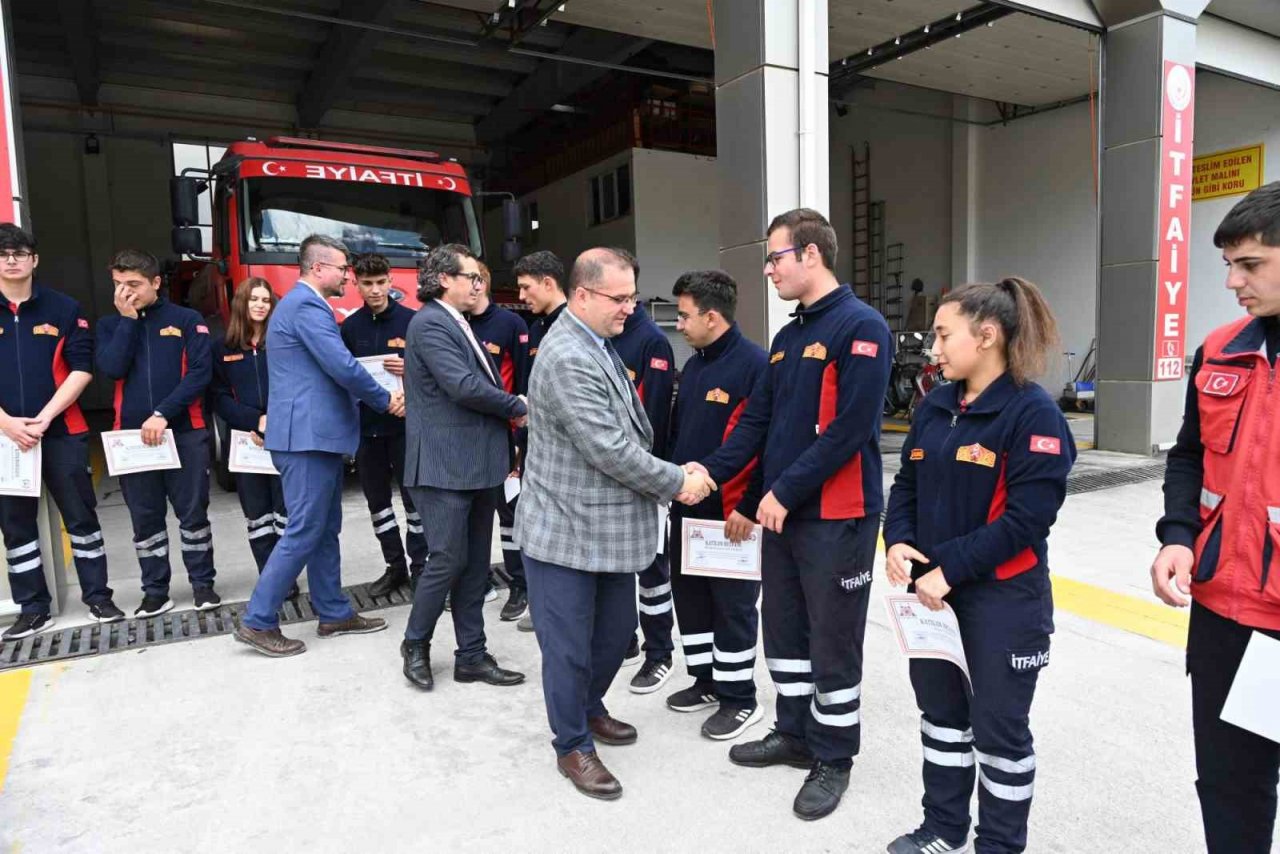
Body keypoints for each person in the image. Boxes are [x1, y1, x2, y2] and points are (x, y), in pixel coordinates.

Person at [694, 208, 893, 820]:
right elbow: (759, 422)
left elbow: (851, 430)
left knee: (833, 638)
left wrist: (781, 493)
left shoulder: (861, 327)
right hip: (782, 517)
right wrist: (712, 476)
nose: (769, 268)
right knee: (784, 630)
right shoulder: (787, 338)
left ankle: (834, 755)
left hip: (837, 516)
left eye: (775, 256)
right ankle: (794, 732)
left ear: (810, 254)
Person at [515, 247, 715, 801]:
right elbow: (607, 447)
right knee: (570, 648)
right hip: (565, 532)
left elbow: (629, 433)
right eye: (620, 298)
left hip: (602, 529)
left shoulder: (594, 341)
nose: (632, 308)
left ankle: (588, 706)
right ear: (582, 295)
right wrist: (678, 481)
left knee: (610, 637)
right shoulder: (569, 356)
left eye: (632, 295)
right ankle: (572, 745)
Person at [883, 277, 1074, 854]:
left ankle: (998, 844)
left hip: (1002, 601)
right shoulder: (938, 404)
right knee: (941, 719)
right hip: (933, 597)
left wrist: (950, 570)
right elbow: (907, 483)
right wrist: (896, 541)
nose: (933, 348)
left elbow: (1026, 520)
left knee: (999, 733)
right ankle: (943, 828)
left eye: (943, 334)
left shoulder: (1032, 415)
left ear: (986, 335)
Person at [1151, 180, 1280, 854]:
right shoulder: (1220, 350)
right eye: (1227, 265)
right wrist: (1177, 537)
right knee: (1232, 785)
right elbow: (1188, 458)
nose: (1233, 281)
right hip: (1228, 619)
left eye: (1250, 264)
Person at [233, 235, 403, 657]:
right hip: (305, 438)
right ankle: (258, 620)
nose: (347, 276)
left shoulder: (300, 305)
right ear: (318, 268)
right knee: (305, 528)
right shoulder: (307, 306)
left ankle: (333, 611)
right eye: (343, 269)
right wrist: (385, 399)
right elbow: (340, 365)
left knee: (325, 528)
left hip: (314, 437)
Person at [398, 244, 528, 691]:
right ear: (443, 280)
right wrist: (519, 406)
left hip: (477, 465)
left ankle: (471, 655)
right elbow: (463, 386)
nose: (479, 284)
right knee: (448, 559)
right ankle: (415, 643)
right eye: (471, 277)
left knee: (474, 566)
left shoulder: (458, 322)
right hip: (443, 467)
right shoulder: (431, 323)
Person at [0, 224, 123, 640]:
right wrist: (8, 424)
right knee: (16, 526)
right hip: (5, 437)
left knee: (81, 516)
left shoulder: (64, 309)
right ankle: (33, 608)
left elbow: (82, 369)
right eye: (3, 254)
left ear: (34, 259)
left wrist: (46, 417)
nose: (11, 260)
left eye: (19, 252)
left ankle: (99, 597)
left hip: (61, 430)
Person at [665, 269, 768, 739]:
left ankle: (739, 696)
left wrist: (748, 506)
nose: (679, 325)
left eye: (684, 316)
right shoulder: (697, 365)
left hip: (731, 513)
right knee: (692, 597)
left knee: (733, 606)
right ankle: (706, 681)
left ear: (712, 315)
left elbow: (760, 444)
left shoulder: (755, 366)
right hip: (687, 506)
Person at [96, 249, 219, 617]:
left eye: (133, 284)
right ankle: (155, 592)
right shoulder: (110, 324)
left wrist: (163, 413)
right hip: (132, 439)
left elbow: (200, 373)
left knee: (193, 514)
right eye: (118, 285)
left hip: (184, 432)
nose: (125, 292)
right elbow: (113, 368)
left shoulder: (186, 319)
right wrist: (128, 321)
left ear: (155, 282)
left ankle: (203, 586)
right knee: (145, 519)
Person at [608, 250, 678, 690]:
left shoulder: (651, 341)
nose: (621, 305)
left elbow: (653, 418)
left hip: (643, 474)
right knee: (616, 567)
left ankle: (659, 652)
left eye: (625, 295)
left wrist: (650, 477)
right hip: (608, 472)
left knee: (652, 567)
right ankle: (624, 639)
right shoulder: (600, 339)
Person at [341, 253, 427, 596]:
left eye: (380, 282)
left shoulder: (414, 322)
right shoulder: (350, 327)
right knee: (377, 503)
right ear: (356, 284)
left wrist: (412, 376)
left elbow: (436, 371)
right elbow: (344, 379)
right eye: (367, 283)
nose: (375, 290)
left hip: (408, 428)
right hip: (367, 430)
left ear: (391, 282)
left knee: (415, 503)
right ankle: (395, 567)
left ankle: (421, 567)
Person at [209, 277, 294, 597]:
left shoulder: (283, 343)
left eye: (266, 300)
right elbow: (217, 397)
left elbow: (295, 387)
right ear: (241, 304)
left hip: (283, 438)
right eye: (253, 299)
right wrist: (254, 421)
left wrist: (275, 422)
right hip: (245, 442)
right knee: (257, 515)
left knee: (285, 513)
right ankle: (270, 579)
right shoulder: (222, 348)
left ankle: (285, 576)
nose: (260, 305)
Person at [468, 260, 531, 621]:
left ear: (487, 282)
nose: (474, 287)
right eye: (468, 280)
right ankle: (477, 582)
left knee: (511, 515)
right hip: (467, 440)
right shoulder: (454, 324)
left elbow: (523, 386)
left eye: (479, 280)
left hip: (505, 436)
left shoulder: (510, 324)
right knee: (474, 515)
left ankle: (520, 583)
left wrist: (520, 438)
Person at [511, 250, 568, 633]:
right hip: (534, 444)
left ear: (549, 283)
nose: (521, 295)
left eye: (526, 287)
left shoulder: (574, 328)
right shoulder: (535, 328)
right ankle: (543, 603)